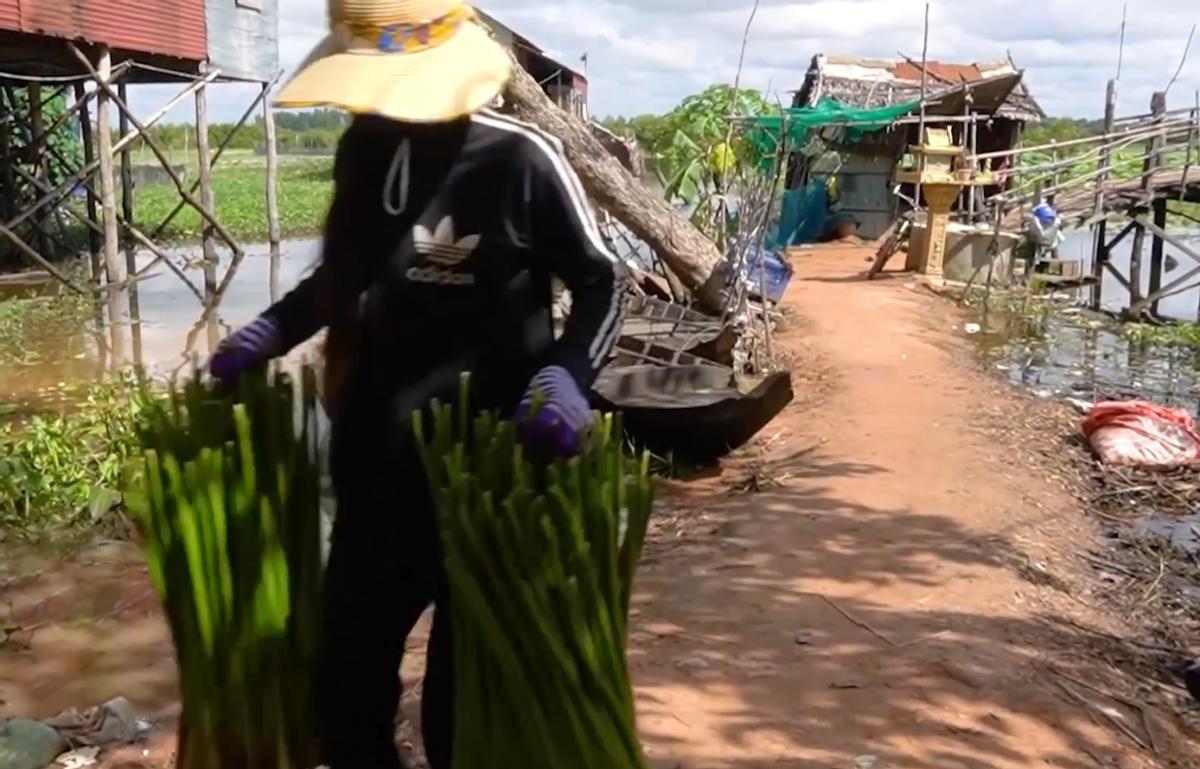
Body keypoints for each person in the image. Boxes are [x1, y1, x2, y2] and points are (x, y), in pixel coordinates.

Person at [207, 1, 627, 767]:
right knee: (344, 694)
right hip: (374, 473)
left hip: (492, 476)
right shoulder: (360, 150)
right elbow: (343, 279)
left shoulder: (521, 160)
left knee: (459, 715)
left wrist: (568, 375)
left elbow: (604, 281)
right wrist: (272, 330)